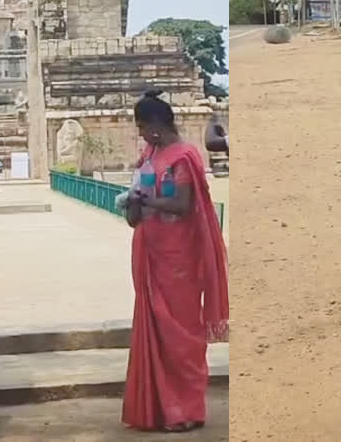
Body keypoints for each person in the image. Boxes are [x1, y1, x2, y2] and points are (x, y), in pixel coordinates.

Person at [122, 90, 230, 433]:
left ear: (155, 125)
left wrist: (148, 201)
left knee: (181, 335)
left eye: (141, 126)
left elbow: (184, 205)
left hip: (179, 259)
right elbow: (136, 213)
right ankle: (155, 408)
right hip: (149, 252)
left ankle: (184, 410)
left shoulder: (184, 157)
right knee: (155, 331)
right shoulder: (148, 156)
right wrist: (133, 203)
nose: (139, 134)